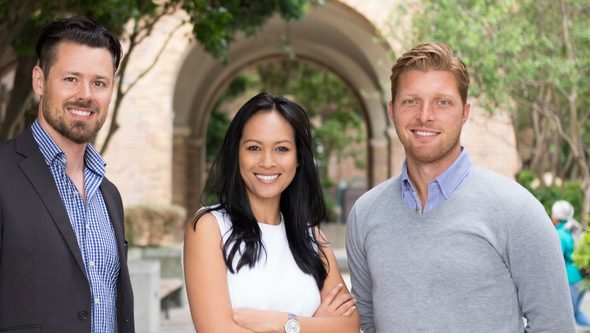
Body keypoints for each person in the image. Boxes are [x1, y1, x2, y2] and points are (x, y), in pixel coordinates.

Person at [345, 42, 575, 332]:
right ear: (392, 111)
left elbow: (554, 325)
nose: (425, 115)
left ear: (464, 113)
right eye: (411, 101)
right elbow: (366, 322)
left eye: (442, 102)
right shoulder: (365, 214)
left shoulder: (517, 211)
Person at [0, 16, 135, 332]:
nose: (86, 95)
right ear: (39, 80)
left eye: (99, 82)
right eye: (71, 78)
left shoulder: (109, 195)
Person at [183, 93, 360, 333]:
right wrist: (317, 324)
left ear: (298, 159)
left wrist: (282, 323)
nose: (267, 162)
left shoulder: (313, 240)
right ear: (237, 154)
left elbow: (349, 327)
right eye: (254, 147)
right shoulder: (209, 227)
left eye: (282, 148)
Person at [552, 200, 590, 328]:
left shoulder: (559, 234)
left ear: (556, 216)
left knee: (567, 316)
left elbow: (556, 260)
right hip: (582, 277)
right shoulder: (575, 229)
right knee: (576, 312)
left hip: (571, 279)